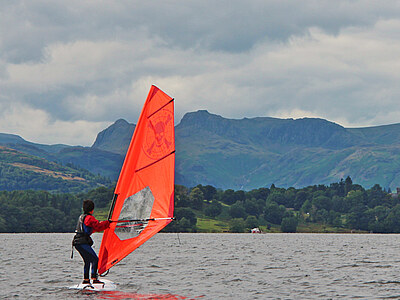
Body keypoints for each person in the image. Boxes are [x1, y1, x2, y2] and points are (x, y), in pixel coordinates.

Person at [72, 199, 110, 284]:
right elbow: (98, 226)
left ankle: (86, 280)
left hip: (77, 242)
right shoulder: (89, 218)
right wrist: (108, 223)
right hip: (82, 242)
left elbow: (92, 229)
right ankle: (94, 279)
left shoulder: (82, 217)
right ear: (92, 209)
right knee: (95, 259)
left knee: (87, 260)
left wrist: (103, 225)